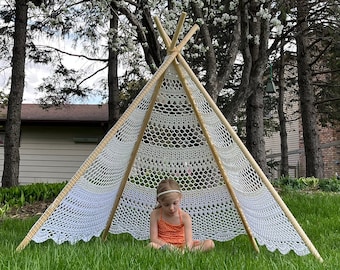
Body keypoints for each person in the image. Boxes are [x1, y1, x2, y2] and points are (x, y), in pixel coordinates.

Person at [149, 178, 215, 252]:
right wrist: (170, 247)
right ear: (159, 201)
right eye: (166, 205)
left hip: (183, 245)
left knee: (210, 243)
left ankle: (186, 253)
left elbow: (189, 241)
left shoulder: (185, 217)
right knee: (151, 245)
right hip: (164, 245)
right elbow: (154, 239)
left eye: (175, 203)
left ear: (180, 198)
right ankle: (175, 253)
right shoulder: (155, 214)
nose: (171, 208)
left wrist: (184, 250)